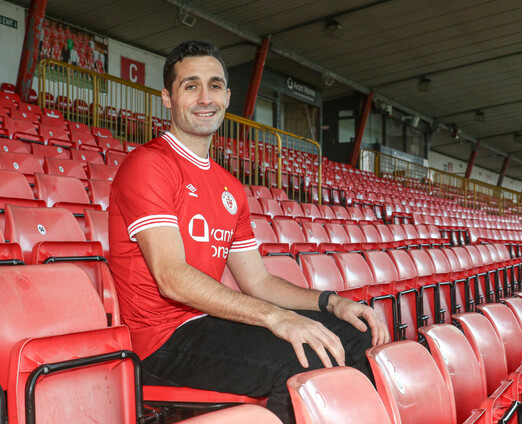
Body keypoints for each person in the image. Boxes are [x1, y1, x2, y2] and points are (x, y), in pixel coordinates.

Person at [108, 40, 389, 423]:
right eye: (190, 85)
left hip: (209, 323)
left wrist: (331, 302)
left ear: (227, 97)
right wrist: (276, 317)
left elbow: (258, 281)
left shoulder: (229, 186)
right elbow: (172, 278)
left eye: (214, 85)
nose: (205, 97)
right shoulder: (148, 165)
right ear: (167, 98)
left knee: (355, 334)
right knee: (304, 358)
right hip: (161, 342)